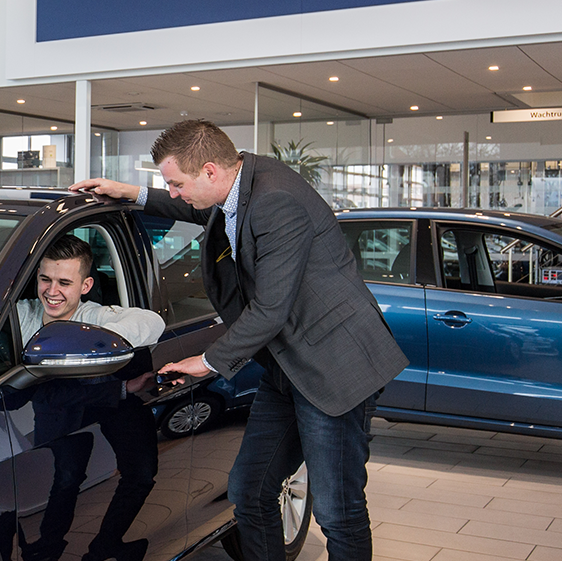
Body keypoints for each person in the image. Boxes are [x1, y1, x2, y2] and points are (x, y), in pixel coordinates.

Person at [70, 120, 408, 561]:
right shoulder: (237, 183)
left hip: (333, 368)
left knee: (337, 512)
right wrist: (129, 192)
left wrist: (206, 361)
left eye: (176, 183)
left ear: (210, 171)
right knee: (248, 494)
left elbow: (271, 309)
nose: (172, 192)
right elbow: (198, 208)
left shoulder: (275, 201)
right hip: (287, 368)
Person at [10, 234, 165, 561]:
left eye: (65, 282)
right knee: (64, 481)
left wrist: (103, 342)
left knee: (132, 473)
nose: (52, 292)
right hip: (49, 416)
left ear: (86, 285)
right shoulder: (21, 315)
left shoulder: (94, 317)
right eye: (45, 279)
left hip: (92, 410)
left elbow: (153, 322)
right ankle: (49, 548)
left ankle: (104, 544)